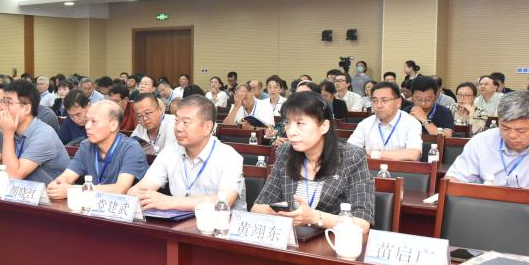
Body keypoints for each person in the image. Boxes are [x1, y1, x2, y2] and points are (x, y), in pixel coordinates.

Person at [252, 91, 374, 232]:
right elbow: (257, 208)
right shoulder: (285, 152)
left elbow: (362, 223)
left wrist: (314, 217)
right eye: (287, 123)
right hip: (292, 239)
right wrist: (282, 213)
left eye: (300, 123)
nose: (291, 132)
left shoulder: (351, 157)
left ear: (324, 126)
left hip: (330, 240)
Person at [446, 91, 529, 206]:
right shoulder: (482, 140)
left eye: (521, 130)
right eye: (505, 128)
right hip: (483, 209)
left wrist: (518, 197)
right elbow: (452, 180)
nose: (512, 135)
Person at [129, 95, 246, 211]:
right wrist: (134, 193)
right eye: (176, 121)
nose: (178, 128)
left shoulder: (229, 157)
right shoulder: (169, 152)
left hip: (220, 222)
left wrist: (170, 202)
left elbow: (223, 202)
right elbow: (140, 189)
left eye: (186, 122)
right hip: (178, 221)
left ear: (207, 127)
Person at [47, 101, 149, 200]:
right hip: (91, 205)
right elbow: (66, 177)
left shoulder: (131, 149)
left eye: (93, 121)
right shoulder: (86, 146)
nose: (87, 126)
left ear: (113, 125)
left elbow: (120, 189)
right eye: (87, 120)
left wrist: (72, 190)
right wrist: (57, 186)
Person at [0, 78, 70, 184]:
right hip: (18, 192)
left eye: (8, 102)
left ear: (26, 109)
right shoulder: (6, 131)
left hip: (51, 193)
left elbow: (13, 176)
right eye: (3, 101)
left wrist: (8, 135)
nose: (2, 107)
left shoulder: (43, 135)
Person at [346, 82, 422, 160]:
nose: (379, 106)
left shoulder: (411, 123)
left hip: (401, 168)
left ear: (398, 102)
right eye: (374, 101)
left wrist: (373, 153)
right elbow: (349, 151)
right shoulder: (365, 123)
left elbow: (414, 154)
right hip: (371, 167)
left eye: (384, 100)